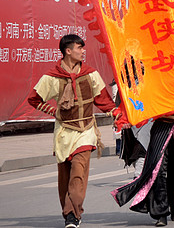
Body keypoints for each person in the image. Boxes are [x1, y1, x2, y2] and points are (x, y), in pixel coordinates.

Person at [27, 34, 123, 228]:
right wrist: (53, 111)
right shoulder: (51, 77)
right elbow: (34, 99)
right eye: (79, 48)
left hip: (86, 130)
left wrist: (117, 113)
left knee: (78, 173)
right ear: (68, 51)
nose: (82, 51)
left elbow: (103, 100)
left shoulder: (90, 74)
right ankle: (69, 213)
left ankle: (73, 215)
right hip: (63, 132)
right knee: (65, 178)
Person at [112, 108, 174, 226]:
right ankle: (161, 212)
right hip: (161, 127)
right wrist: (127, 119)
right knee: (157, 170)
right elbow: (142, 101)